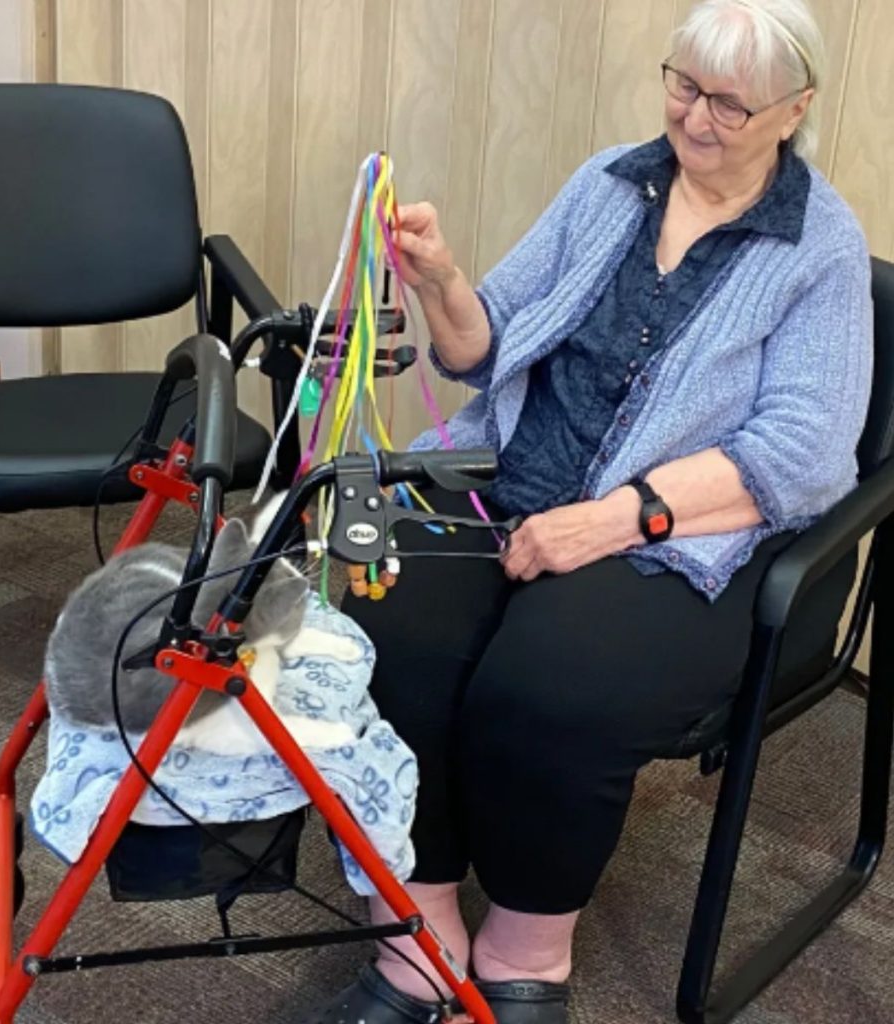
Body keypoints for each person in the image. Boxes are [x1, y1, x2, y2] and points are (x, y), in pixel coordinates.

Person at [306, 2, 872, 1021]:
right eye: (683, 86)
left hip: (672, 536)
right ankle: (419, 935)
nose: (696, 120)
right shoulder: (609, 181)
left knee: (550, 691)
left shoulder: (819, 248)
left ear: (793, 111)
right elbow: (490, 346)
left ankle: (526, 952)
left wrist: (611, 520)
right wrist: (440, 283)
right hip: (510, 477)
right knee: (373, 625)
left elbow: (804, 455)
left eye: (730, 105)